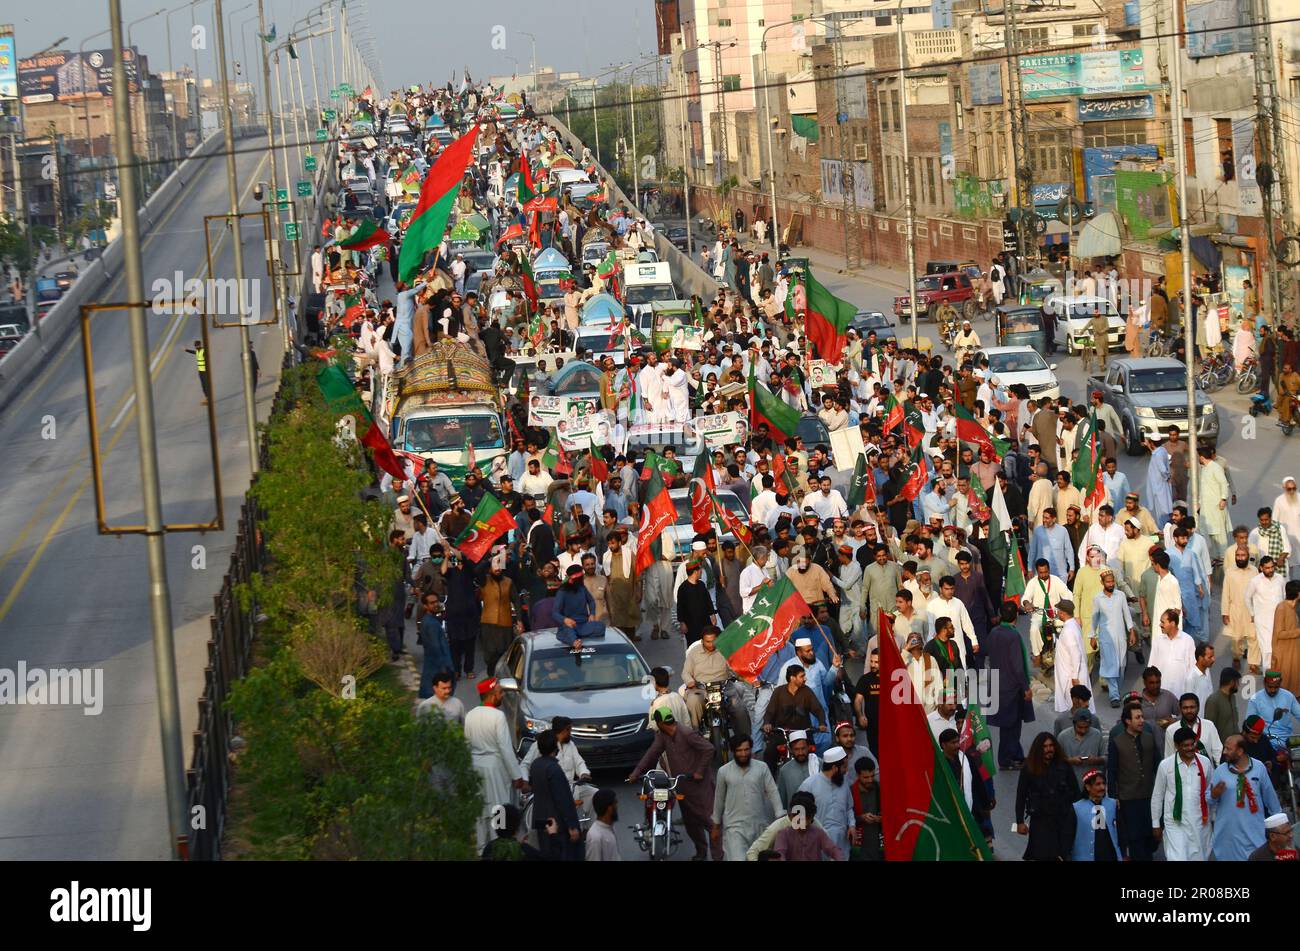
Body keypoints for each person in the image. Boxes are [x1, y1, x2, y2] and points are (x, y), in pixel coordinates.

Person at [627, 708, 719, 861]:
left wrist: (699, 771)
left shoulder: (687, 733)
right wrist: (636, 772)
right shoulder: (663, 736)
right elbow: (652, 754)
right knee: (691, 823)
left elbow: (709, 749)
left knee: (710, 822)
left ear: (660, 723)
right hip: (682, 786)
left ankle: (718, 857)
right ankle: (701, 853)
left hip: (700, 787)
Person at [464, 678, 528, 851]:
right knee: (498, 808)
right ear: (492, 695)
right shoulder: (498, 716)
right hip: (495, 769)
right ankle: (497, 846)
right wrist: (517, 776)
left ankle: (480, 848)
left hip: (475, 766)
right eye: (500, 692)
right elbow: (506, 749)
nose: (502, 696)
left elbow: (466, 745)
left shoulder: (470, 714)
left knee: (480, 808)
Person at [1210, 733, 1283, 860]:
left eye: (1228, 749)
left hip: (1255, 837)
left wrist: (1281, 826)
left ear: (1240, 751)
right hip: (1228, 840)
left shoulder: (1259, 768)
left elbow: (1271, 801)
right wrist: (1214, 794)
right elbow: (1209, 800)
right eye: (1224, 748)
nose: (1224, 752)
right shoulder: (1220, 771)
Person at [711, 734, 783, 861]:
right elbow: (719, 798)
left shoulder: (762, 767)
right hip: (734, 828)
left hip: (759, 825)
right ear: (732, 751)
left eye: (746, 749)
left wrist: (779, 817)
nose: (743, 754)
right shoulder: (724, 771)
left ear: (751, 749)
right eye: (739, 750)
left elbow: (773, 791)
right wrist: (716, 825)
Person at [1151, 726, 1214, 861]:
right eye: (1185, 746)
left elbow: (1210, 793)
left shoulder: (1205, 763)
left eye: (1193, 744)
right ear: (1176, 746)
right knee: (1177, 857)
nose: (1190, 748)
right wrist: (1156, 823)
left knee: (1199, 858)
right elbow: (1157, 796)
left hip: (1200, 822)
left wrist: (1213, 818)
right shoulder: (1165, 765)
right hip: (1175, 822)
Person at [1107, 702, 1161, 860]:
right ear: (1127, 721)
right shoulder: (1117, 742)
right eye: (1137, 717)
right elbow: (1112, 771)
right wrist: (1113, 796)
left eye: (1142, 717)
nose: (1142, 720)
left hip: (1149, 796)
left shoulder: (1149, 738)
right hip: (1128, 799)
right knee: (1135, 839)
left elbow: (1158, 765)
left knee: (1151, 837)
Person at [1014, 731, 1079, 860]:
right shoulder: (1029, 768)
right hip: (1040, 820)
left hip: (1062, 818)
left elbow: (1075, 792)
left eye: (1051, 746)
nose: (1049, 749)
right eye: (1044, 746)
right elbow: (1021, 796)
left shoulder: (1064, 766)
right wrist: (1020, 822)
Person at [982, 602, 1033, 768]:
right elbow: (1018, 667)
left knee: (1008, 724)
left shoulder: (994, 632)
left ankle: (1016, 755)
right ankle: (1007, 759)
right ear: (1016, 616)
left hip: (997, 684)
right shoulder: (1013, 636)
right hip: (1012, 686)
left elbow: (986, 651)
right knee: (1011, 726)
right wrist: (1025, 687)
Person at [684, 627, 752, 738]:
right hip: (701, 688)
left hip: (724, 687)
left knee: (740, 709)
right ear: (702, 641)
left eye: (713, 641)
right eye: (707, 642)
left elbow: (734, 668)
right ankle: (695, 734)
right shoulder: (694, 652)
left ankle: (745, 741)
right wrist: (690, 681)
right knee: (693, 701)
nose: (711, 644)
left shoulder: (726, 649)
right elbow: (686, 672)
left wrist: (741, 675)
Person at [528, 729, 583, 861]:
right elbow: (563, 800)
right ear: (555, 746)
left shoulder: (536, 765)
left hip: (540, 819)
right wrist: (572, 826)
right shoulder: (553, 769)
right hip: (556, 823)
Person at [797, 745, 854, 859]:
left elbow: (849, 808)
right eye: (844, 767)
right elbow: (798, 817)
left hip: (842, 844)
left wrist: (852, 825)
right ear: (834, 768)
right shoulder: (809, 785)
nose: (846, 771)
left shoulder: (844, 783)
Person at [771, 792, 844, 861]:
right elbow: (779, 855)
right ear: (793, 817)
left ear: (812, 818)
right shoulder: (783, 834)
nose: (803, 825)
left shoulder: (819, 833)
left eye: (807, 821)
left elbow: (833, 849)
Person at [1067, 770, 1121, 861]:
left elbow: (1121, 831)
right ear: (1088, 787)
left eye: (1104, 783)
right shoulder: (1076, 808)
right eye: (1098, 784)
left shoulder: (1113, 804)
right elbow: (1068, 834)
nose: (1102, 787)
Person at [1245, 556, 1287, 671]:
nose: (1270, 570)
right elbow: (1247, 598)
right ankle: (1268, 677)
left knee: (1279, 649)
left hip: (1279, 620)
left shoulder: (1280, 579)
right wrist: (1252, 613)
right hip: (1263, 621)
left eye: (1272, 567)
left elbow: (1284, 597)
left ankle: (1278, 675)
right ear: (1261, 568)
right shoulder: (1255, 581)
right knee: (1267, 650)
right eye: (1267, 568)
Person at [1148, 608, 1196, 699]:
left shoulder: (1187, 640)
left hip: (1182, 690)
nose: (1160, 625)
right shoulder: (1158, 641)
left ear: (1173, 624)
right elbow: (1151, 666)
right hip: (1162, 691)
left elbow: (1193, 667)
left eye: (1163, 622)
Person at [553, 564, 605, 647]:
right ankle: (574, 641)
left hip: (584, 624)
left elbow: (591, 601)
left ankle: (574, 636)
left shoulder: (582, 588)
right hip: (570, 625)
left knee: (601, 626)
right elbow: (555, 613)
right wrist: (565, 620)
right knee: (568, 631)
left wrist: (592, 614)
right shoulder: (562, 592)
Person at [1052, 600, 1089, 715]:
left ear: (1062, 613)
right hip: (1072, 673)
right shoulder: (1073, 625)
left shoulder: (1068, 630)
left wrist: (1074, 677)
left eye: (1058, 611)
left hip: (1071, 676)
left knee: (1075, 709)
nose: (1057, 613)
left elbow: (1075, 654)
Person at [1057, 708, 1106, 788]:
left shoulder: (1097, 735)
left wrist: (1096, 760)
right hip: (1070, 785)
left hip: (1093, 786)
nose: (1083, 731)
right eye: (1079, 727)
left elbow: (1106, 757)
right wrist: (1070, 761)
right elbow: (1056, 761)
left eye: (1086, 727)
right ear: (1074, 724)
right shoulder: (1063, 737)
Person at [1272, 580, 1300, 693]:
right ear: (1298, 593)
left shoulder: (1294, 608)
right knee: (1285, 684)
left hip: (1294, 651)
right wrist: (1298, 632)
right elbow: (1279, 633)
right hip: (1284, 653)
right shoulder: (1282, 608)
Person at [1205, 668, 1243, 743]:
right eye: (1237, 682)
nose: (1238, 685)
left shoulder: (1232, 697)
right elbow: (1209, 728)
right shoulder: (1213, 700)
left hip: (1235, 746)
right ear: (1232, 682)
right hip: (1221, 747)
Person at [585, 788, 621, 861]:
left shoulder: (610, 827)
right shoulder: (595, 837)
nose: (617, 806)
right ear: (609, 808)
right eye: (615, 803)